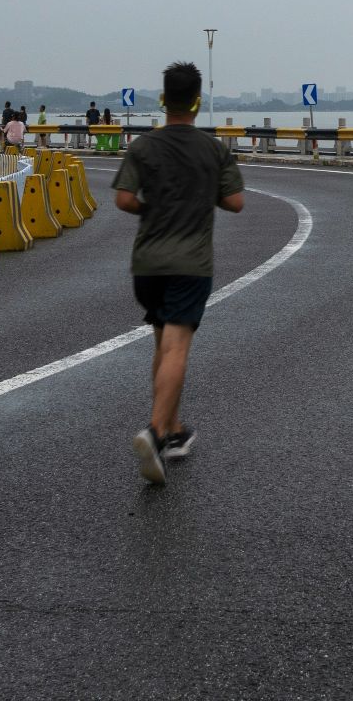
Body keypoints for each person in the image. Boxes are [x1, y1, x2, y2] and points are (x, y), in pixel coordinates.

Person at [114, 61, 245, 485]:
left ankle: (172, 429)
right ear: (197, 101)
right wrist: (204, 194)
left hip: (147, 265)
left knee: (162, 345)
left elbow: (123, 199)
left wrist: (151, 207)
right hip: (190, 264)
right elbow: (236, 202)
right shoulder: (213, 150)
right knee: (176, 350)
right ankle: (154, 431)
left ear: (163, 100)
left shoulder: (143, 147)